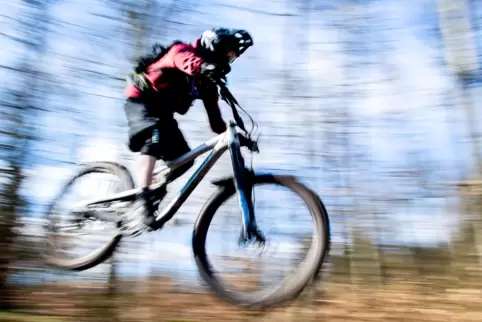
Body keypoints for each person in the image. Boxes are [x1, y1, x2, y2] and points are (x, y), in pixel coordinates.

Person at [122, 27, 254, 233]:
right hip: (142, 99)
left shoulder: (206, 84)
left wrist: (236, 137)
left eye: (232, 57)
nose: (228, 60)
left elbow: (216, 122)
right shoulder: (182, 51)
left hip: (163, 115)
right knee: (153, 138)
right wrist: (204, 67)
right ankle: (143, 196)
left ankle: (154, 188)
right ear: (213, 45)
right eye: (227, 53)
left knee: (184, 160)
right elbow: (185, 62)